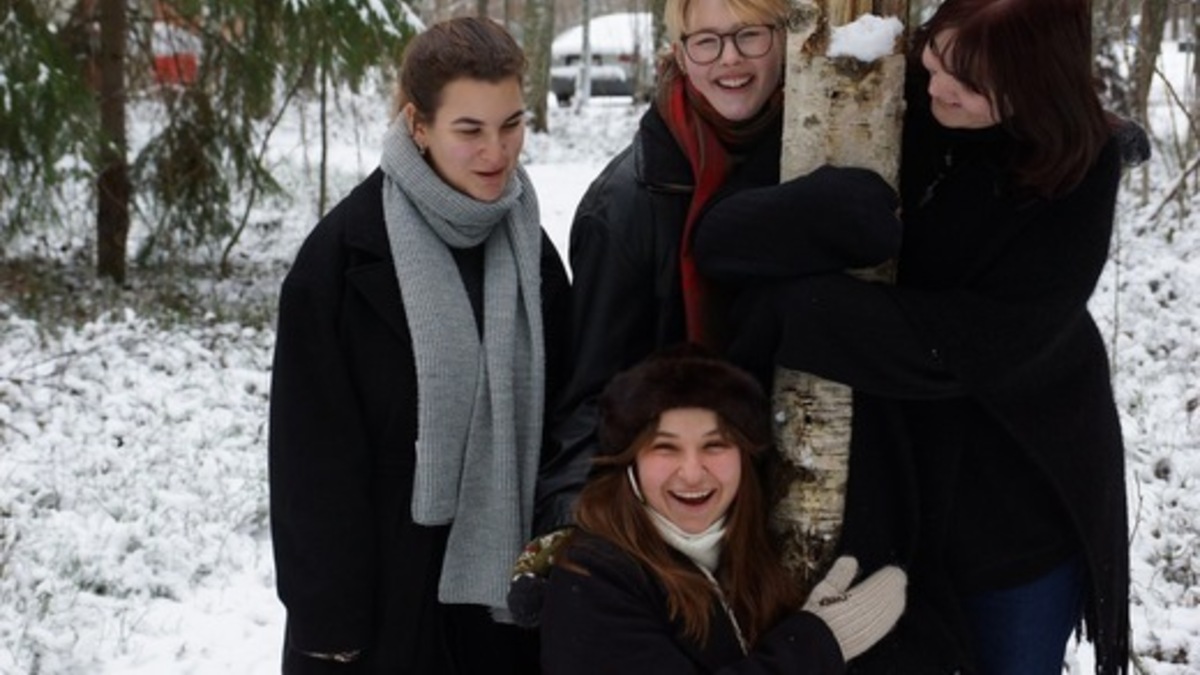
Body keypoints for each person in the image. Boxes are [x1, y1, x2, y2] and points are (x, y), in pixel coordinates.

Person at [694, 0, 1136, 672]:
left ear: (1037, 84)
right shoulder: (878, 96)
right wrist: (832, 211)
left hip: (1014, 493)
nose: (937, 86)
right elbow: (722, 238)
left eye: (970, 79)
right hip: (885, 483)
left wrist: (802, 307)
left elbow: (981, 342)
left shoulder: (1080, 168)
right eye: (936, 55)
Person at [268, 17, 570, 674]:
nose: (497, 151)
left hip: (504, 609)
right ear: (418, 124)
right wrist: (327, 626)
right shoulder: (342, 261)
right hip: (380, 612)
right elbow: (310, 463)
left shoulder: (533, 257)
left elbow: (564, 427)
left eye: (511, 123)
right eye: (470, 130)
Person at [534, 0, 903, 535]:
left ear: (786, 38)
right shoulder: (623, 209)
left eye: (749, 35)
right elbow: (594, 397)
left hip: (836, 492)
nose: (729, 60)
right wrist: (569, 535)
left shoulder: (840, 141)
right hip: (687, 502)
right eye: (705, 41)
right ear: (681, 56)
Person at [539, 347, 907, 673]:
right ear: (631, 462)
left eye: (715, 445)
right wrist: (822, 642)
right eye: (665, 448)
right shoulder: (592, 576)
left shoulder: (758, 545)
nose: (693, 473)